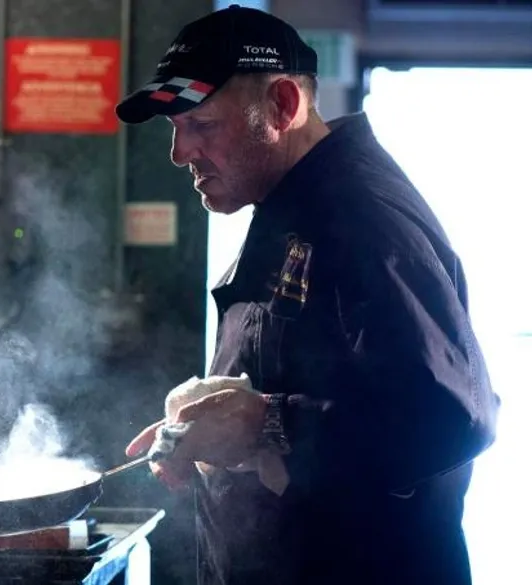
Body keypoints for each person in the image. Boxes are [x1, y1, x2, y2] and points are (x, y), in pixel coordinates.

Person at [115, 5, 501, 585]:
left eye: (202, 126)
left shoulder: (360, 216)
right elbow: (310, 375)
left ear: (283, 106)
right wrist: (208, 422)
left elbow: (450, 416)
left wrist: (267, 424)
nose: (180, 153)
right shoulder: (294, 203)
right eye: (176, 129)